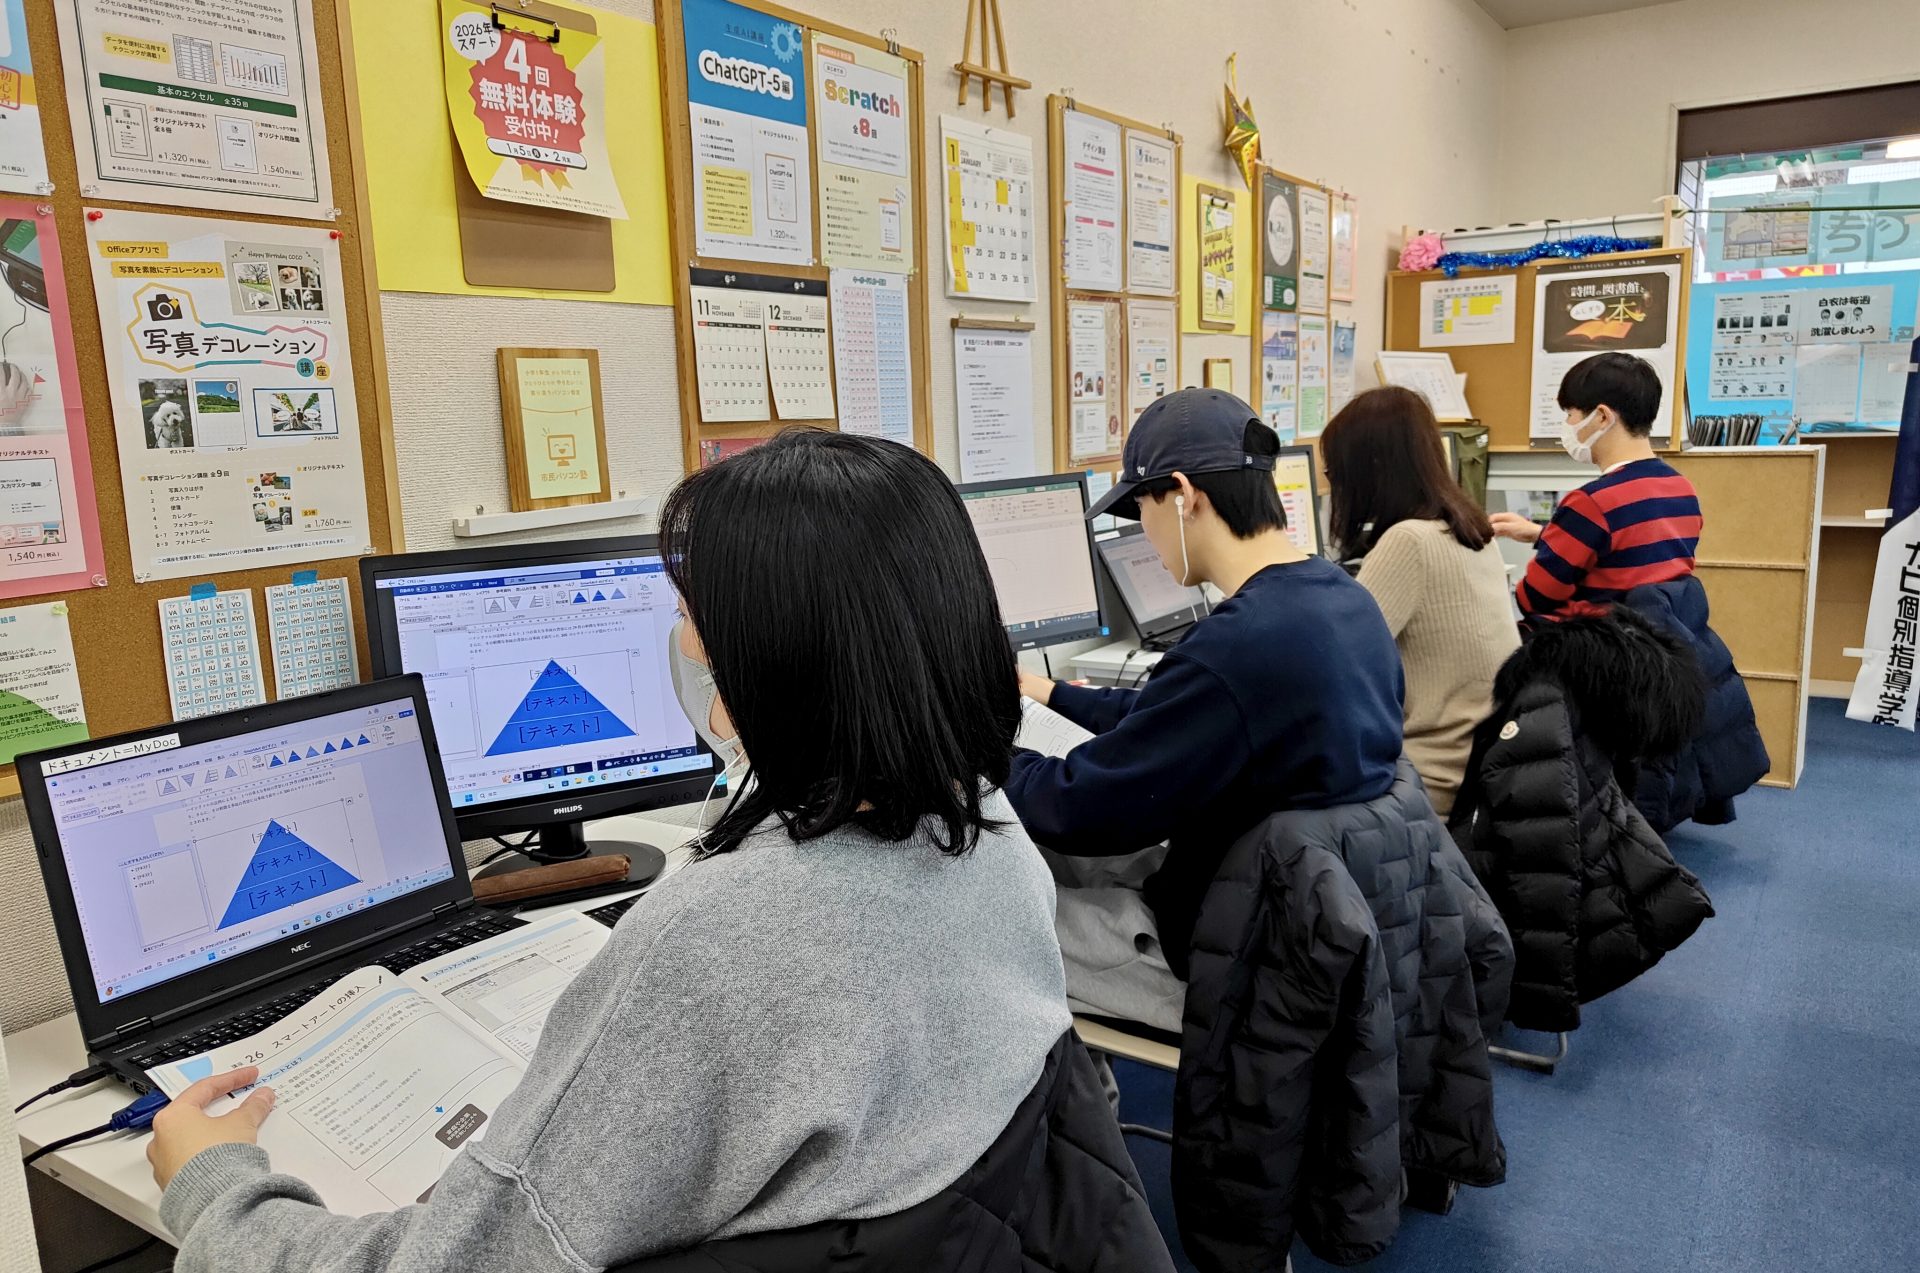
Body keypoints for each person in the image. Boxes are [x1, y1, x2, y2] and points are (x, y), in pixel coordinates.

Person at [147, 430, 1172, 1272]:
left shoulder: (719, 939)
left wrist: (216, 1185)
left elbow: (458, 1261)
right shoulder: (990, 835)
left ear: (778, 649)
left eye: (695, 614)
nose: (686, 644)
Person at [1004, 389, 1405, 1003]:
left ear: (1184, 495)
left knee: (994, 913)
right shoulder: (1340, 598)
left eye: (1141, 507)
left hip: (1238, 952)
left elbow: (1081, 808)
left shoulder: (1235, 646)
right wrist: (1050, 692)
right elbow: (1180, 715)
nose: (1143, 530)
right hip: (1322, 914)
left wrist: (978, 756)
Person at [1321, 386, 1519, 815]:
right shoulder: (1471, 529)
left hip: (1432, 780)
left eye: (1335, 472)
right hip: (1485, 764)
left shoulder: (1407, 541)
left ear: (1370, 469)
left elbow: (1331, 666)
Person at [1493, 352, 1702, 623]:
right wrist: (1543, 535)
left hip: (1596, 643)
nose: (1567, 425)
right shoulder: (1681, 489)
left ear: (1602, 417)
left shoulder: (1591, 503)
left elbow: (1534, 598)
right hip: (1660, 641)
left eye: (1570, 414)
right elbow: (1626, 554)